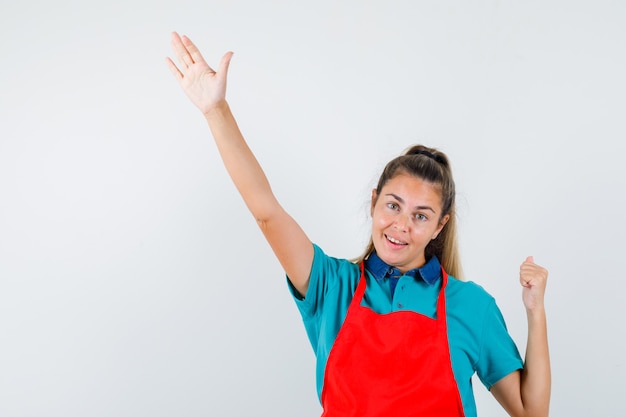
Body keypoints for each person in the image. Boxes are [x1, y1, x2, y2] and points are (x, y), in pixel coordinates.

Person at [165, 31, 551, 417]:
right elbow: (266, 212)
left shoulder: (471, 306)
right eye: (393, 205)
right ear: (374, 202)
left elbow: (532, 413)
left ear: (439, 226)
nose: (401, 225)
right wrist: (216, 111)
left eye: (421, 216)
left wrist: (534, 310)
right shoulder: (331, 286)